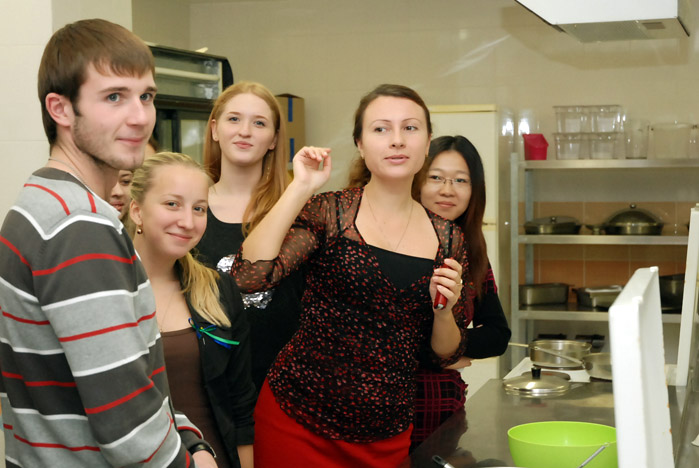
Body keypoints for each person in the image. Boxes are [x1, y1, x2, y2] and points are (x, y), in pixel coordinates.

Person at [0, 19, 216, 467]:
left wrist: (189, 440)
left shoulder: (39, 201)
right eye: (114, 97)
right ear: (61, 109)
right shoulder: (79, 226)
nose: (140, 117)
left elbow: (129, 384)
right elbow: (130, 434)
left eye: (146, 96)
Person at [232, 84, 471, 468]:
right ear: (360, 144)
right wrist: (300, 186)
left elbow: (445, 353)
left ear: (427, 143)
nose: (397, 140)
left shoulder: (448, 237)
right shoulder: (329, 212)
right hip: (297, 421)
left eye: (410, 128)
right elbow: (249, 276)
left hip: (386, 435)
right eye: (381, 129)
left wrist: (444, 312)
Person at [129, 152, 256, 468]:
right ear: (137, 211)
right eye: (172, 204)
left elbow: (241, 404)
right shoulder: (103, 291)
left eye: (199, 208)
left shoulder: (218, 290)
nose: (187, 222)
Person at [196, 81, 303, 392]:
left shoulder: (298, 208)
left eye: (259, 123)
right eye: (234, 119)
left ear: (273, 139)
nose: (245, 131)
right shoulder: (190, 209)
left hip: (285, 385)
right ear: (215, 130)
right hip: (210, 382)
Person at [410, 135, 511, 449]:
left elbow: (497, 335)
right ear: (416, 181)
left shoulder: (469, 250)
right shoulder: (389, 245)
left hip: (445, 415)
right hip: (386, 418)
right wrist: (438, 354)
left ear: (474, 190)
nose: (447, 190)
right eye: (436, 177)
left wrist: (449, 350)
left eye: (461, 180)